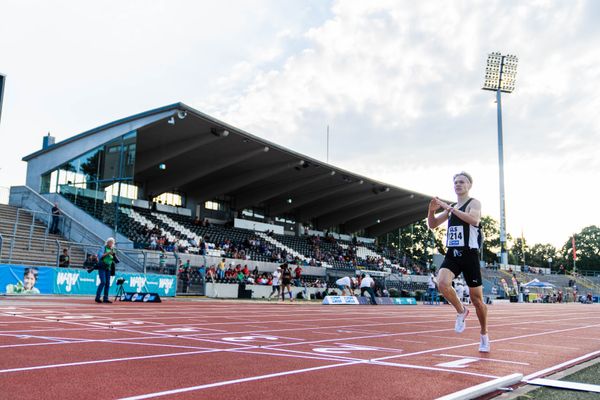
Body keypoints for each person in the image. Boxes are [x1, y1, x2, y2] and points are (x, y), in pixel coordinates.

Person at [427, 171, 489, 353]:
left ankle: (484, 333)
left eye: (462, 182)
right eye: (455, 182)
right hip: (453, 253)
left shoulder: (474, 203)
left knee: (477, 300)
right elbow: (432, 224)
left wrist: (450, 208)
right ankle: (461, 311)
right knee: (442, 283)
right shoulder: (451, 207)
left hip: (469, 255)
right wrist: (431, 210)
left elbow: (474, 220)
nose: (458, 185)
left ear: (469, 185)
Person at [95, 238, 116, 304]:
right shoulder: (103, 248)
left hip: (108, 268)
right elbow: (100, 256)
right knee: (103, 282)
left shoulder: (112, 250)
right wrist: (108, 253)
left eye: (112, 243)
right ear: (107, 242)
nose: (111, 244)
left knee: (108, 283)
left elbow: (113, 259)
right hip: (102, 267)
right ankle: (97, 297)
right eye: (110, 242)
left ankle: (105, 298)